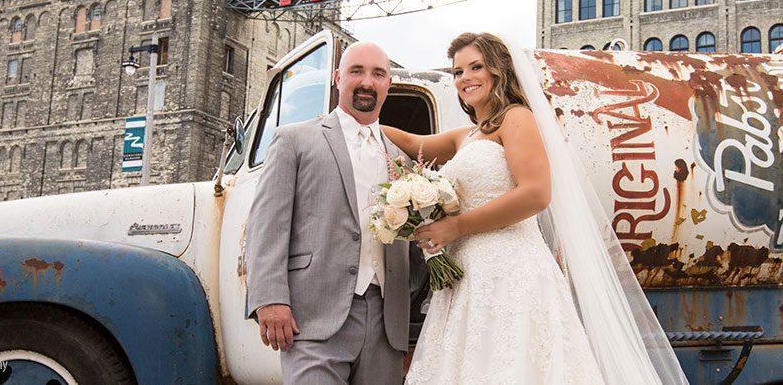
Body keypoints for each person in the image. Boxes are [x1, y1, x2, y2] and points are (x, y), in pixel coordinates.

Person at [383, 32, 688, 384]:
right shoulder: (466, 136)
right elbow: (412, 143)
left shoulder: (516, 118)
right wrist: (354, 121)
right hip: (468, 276)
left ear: (498, 71)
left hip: (510, 271)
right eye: (457, 71)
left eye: (475, 67)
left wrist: (456, 226)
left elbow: (535, 194)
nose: (465, 77)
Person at [245, 41, 411, 384]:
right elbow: (267, 225)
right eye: (357, 71)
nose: (367, 82)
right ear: (337, 78)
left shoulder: (401, 159)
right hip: (312, 315)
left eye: (378, 74)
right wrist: (270, 298)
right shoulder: (294, 140)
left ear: (388, 84)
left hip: (386, 322)